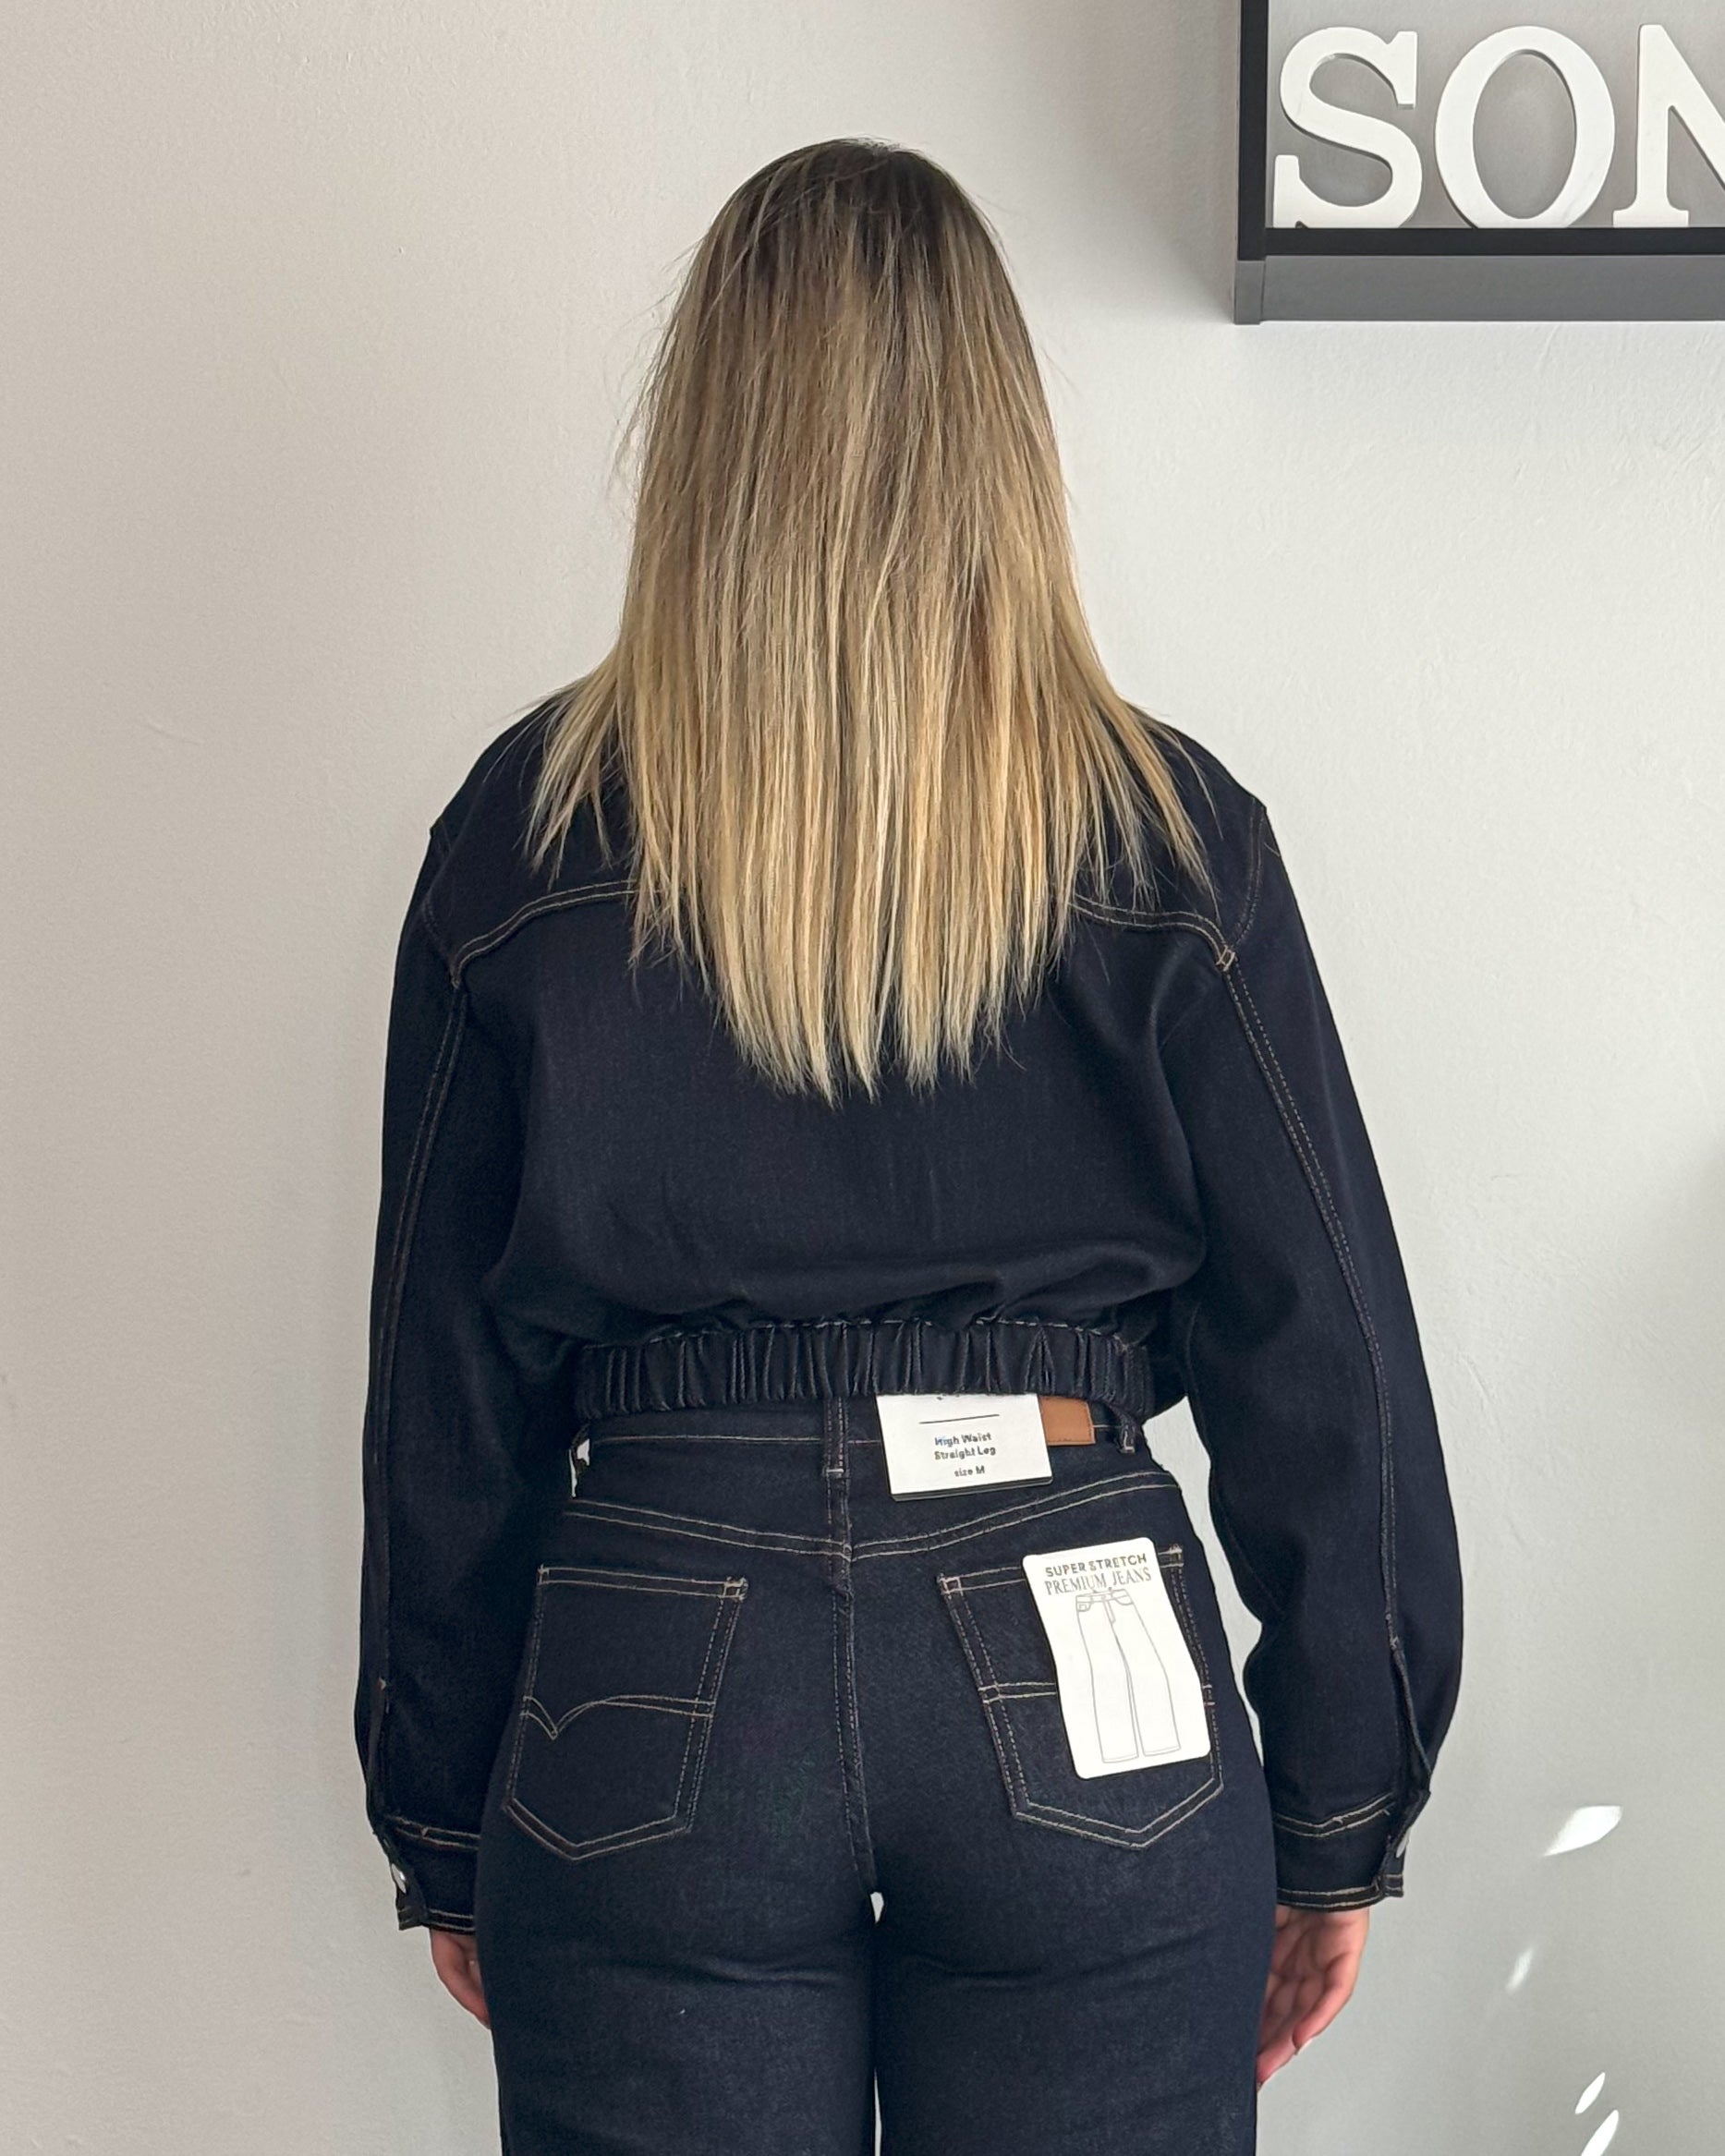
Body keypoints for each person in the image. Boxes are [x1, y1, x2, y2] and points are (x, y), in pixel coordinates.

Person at [353, 138, 1464, 2156]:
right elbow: (1325, 1355)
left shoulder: (524, 835)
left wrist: (448, 1814)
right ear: (1002, 443)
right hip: (1076, 1607)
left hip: (653, 1658)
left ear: (700, 433)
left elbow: (444, 1387)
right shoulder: (1166, 838)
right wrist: (1339, 1806)